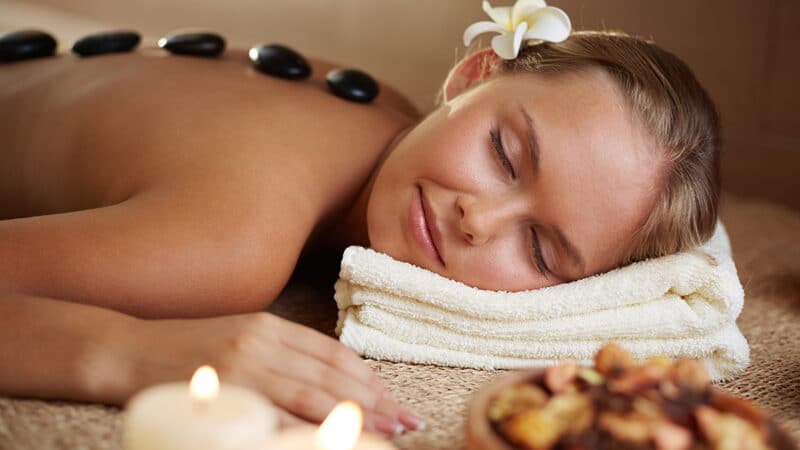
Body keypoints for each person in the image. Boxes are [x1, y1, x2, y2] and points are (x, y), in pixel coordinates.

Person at [0, 21, 720, 437]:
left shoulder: (388, 116)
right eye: (504, 154)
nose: (477, 218)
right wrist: (131, 353)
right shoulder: (237, 242)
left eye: (539, 248)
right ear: (472, 77)